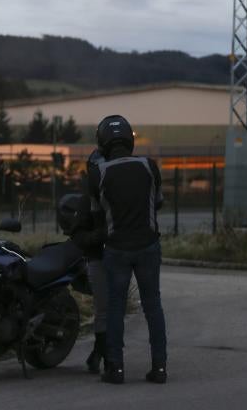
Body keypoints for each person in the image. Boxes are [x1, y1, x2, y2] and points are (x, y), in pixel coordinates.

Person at [89, 114, 167, 385]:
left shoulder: (98, 173)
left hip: (117, 248)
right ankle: (159, 368)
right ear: (129, 140)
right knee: (153, 306)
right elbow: (158, 202)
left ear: (103, 143)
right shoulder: (149, 166)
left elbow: (97, 215)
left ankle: (116, 369)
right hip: (148, 245)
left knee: (115, 307)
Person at [58, 150, 108, 374]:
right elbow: (79, 232)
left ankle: (108, 356)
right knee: (104, 307)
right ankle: (104, 354)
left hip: (116, 254)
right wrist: (98, 237)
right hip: (102, 255)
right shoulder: (89, 197)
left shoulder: (117, 193)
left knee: (107, 307)